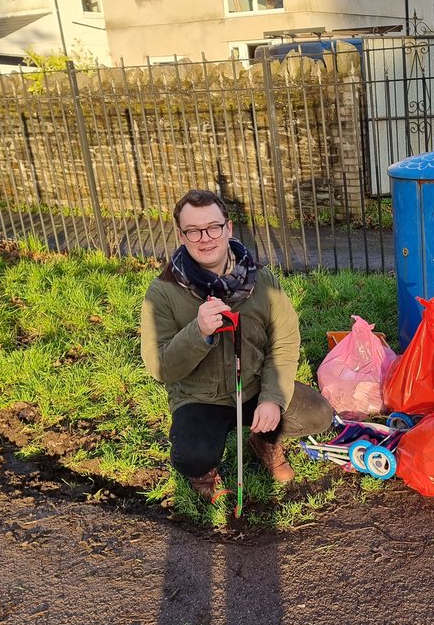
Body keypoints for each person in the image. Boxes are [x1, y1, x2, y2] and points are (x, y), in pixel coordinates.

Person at [141, 188, 333, 502]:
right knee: (192, 456)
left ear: (228, 228)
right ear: (181, 235)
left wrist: (272, 397)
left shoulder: (263, 281)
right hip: (202, 397)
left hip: (255, 386)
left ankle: (264, 440)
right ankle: (204, 470)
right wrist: (198, 331)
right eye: (193, 231)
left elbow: (284, 342)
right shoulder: (163, 291)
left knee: (318, 415)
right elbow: (160, 366)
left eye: (213, 227)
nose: (205, 238)